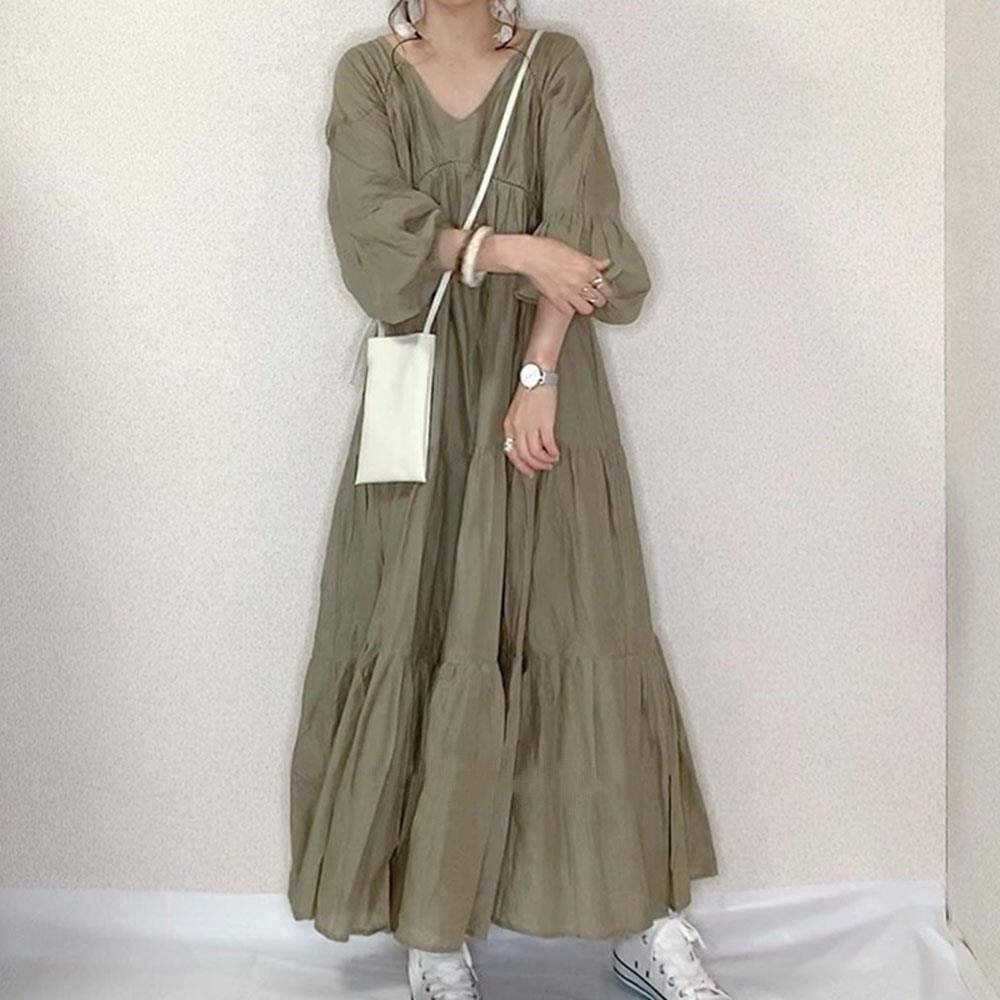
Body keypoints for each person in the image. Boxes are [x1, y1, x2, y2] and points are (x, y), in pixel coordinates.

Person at [287, 3, 730, 998]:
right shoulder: (369, 76)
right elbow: (372, 234)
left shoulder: (553, 65)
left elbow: (582, 231)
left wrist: (538, 373)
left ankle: (640, 918)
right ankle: (434, 934)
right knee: (421, 623)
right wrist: (514, 251)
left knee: (582, 623)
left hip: (540, 388)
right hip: (423, 396)